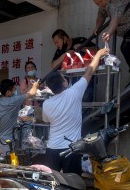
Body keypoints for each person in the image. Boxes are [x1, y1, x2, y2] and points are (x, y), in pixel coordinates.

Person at [42, 47, 109, 175]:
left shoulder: (46, 103)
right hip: (71, 149)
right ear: (65, 83)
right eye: (64, 78)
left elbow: (46, 120)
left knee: (51, 183)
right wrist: (98, 54)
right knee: (73, 183)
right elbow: (89, 71)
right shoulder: (74, 93)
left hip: (52, 149)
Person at [0, 79, 39, 158]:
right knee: (7, 168)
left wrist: (0, 118)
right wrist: (35, 85)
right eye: (14, 90)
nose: (15, 92)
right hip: (6, 144)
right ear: (8, 92)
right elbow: (32, 93)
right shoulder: (13, 101)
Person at [51, 29, 97, 103]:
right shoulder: (60, 50)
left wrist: (82, 48)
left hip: (86, 79)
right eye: (55, 43)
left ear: (64, 38)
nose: (56, 45)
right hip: (70, 83)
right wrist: (65, 54)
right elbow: (53, 65)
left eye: (57, 42)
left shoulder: (80, 40)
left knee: (86, 102)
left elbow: (96, 51)